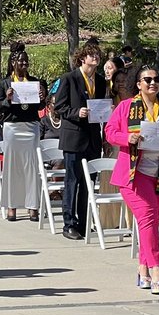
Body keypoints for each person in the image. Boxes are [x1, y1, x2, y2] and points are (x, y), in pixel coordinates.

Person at [104, 64, 159, 294]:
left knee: (147, 223)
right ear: (138, 84)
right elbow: (110, 132)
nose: (153, 83)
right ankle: (157, 270)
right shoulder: (125, 107)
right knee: (149, 219)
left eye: (157, 79)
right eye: (147, 80)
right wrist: (128, 137)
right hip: (134, 175)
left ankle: (143, 271)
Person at [54, 43, 107, 240]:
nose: (95, 58)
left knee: (89, 182)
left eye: (97, 54)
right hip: (74, 137)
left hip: (92, 137)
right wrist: (77, 112)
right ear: (82, 58)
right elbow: (59, 106)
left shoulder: (100, 81)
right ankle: (68, 223)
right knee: (72, 181)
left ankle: (84, 222)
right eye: (91, 55)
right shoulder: (69, 78)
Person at [0, 50, 43, 223]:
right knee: (12, 167)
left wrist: (42, 98)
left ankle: (32, 206)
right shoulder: (5, 83)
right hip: (13, 128)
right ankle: (11, 206)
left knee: (32, 167)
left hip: (31, 127)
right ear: (13, 62)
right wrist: (7, 99)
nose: (23, 64)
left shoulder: (35, 82)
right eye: (20, 61)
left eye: (26, 61)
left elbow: (40, 107)